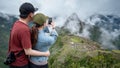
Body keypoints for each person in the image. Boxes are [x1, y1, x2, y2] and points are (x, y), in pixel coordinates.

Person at [8, 3, 50, 68]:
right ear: (30, 15)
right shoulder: (24, 29)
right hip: (21, 64)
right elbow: (28, 51)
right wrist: (45, 54)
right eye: (34, 13)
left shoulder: (17, 23)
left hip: (14, 61)